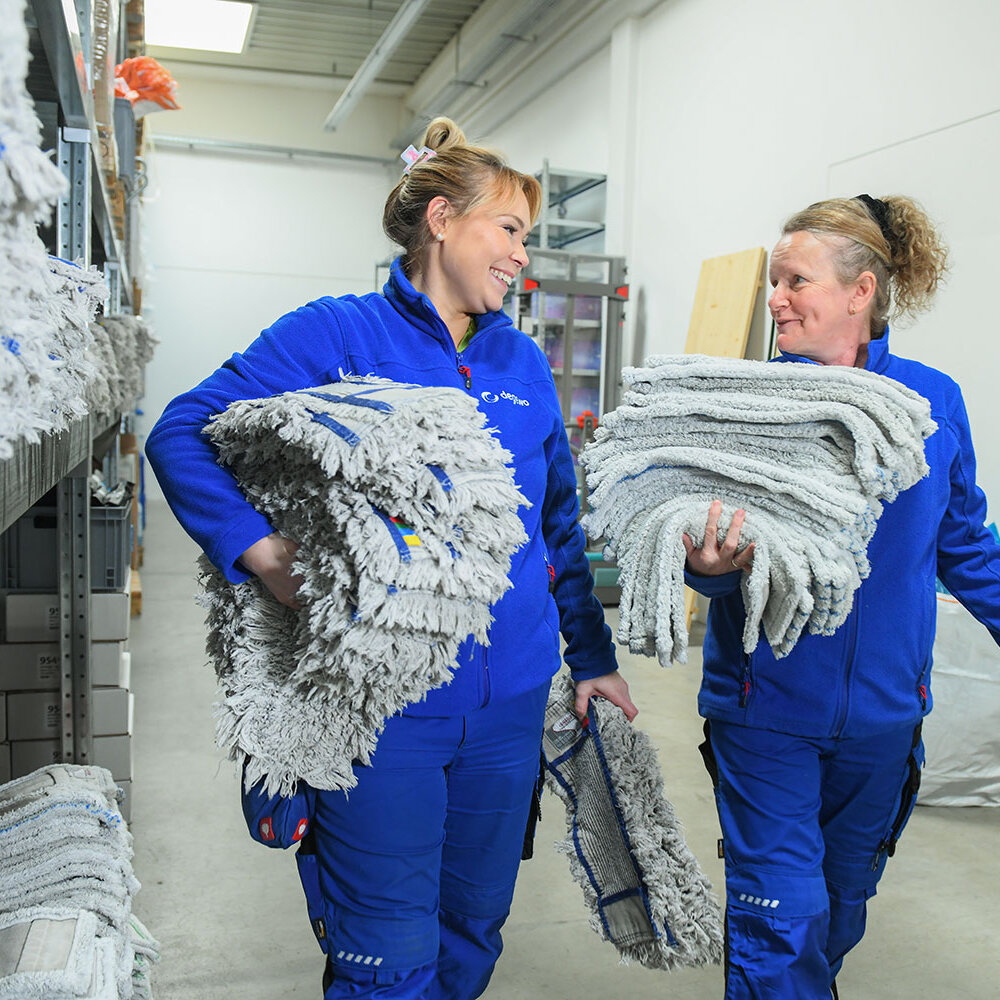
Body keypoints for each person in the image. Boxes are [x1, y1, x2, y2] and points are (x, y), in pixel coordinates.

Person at [144, 117, 636, 1000]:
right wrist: (257, 551)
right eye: (511, 229)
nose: (524, 253)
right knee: (384, 954)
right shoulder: (335, 335)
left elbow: (558, 524)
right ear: (441, 219)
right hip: (384, 705)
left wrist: (592, 659)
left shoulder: (522, 359)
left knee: (473, 931)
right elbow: (182, 428)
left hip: (510, 705)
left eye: (531, 235)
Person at [682, 194, 1000, 999]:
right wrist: (712, 568)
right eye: (775, 281)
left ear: (861, 292)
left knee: (837, 913)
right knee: (780, 919)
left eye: (796, 281)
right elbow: (700, 555)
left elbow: (963, 543)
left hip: (885, 719)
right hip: (767, 712)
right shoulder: (749, 403)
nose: (777, 298)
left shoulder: (933, 404)